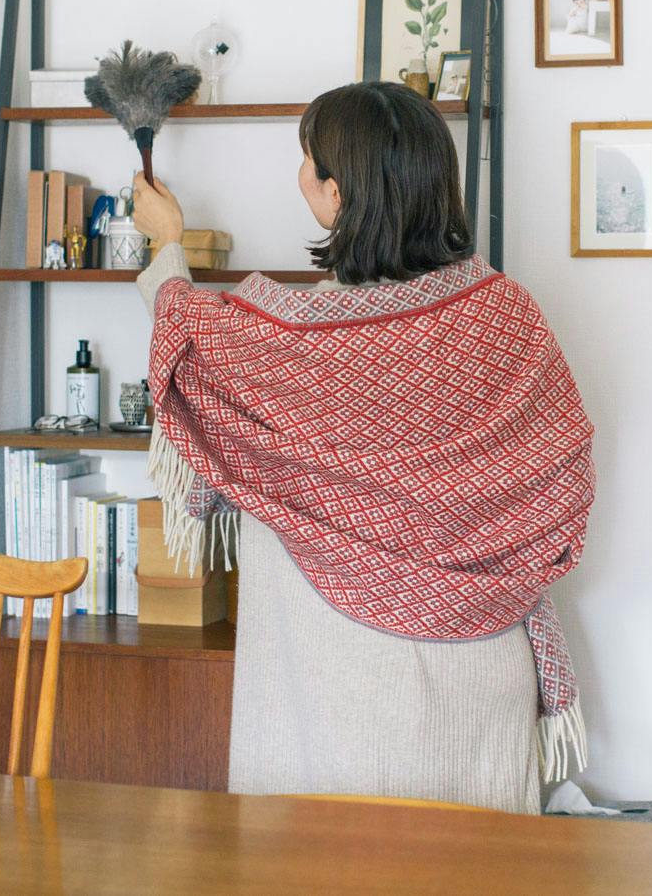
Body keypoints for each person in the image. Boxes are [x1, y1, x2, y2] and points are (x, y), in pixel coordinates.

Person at [132, 81, 594, 813]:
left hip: (331, 677)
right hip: (484, 665)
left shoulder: (290, 343)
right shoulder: (510, 314)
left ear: (336, 192)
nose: (300, 175)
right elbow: (562, 476)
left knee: (316, 868)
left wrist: (167, 244)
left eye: (306, 161)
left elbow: (189, 343)